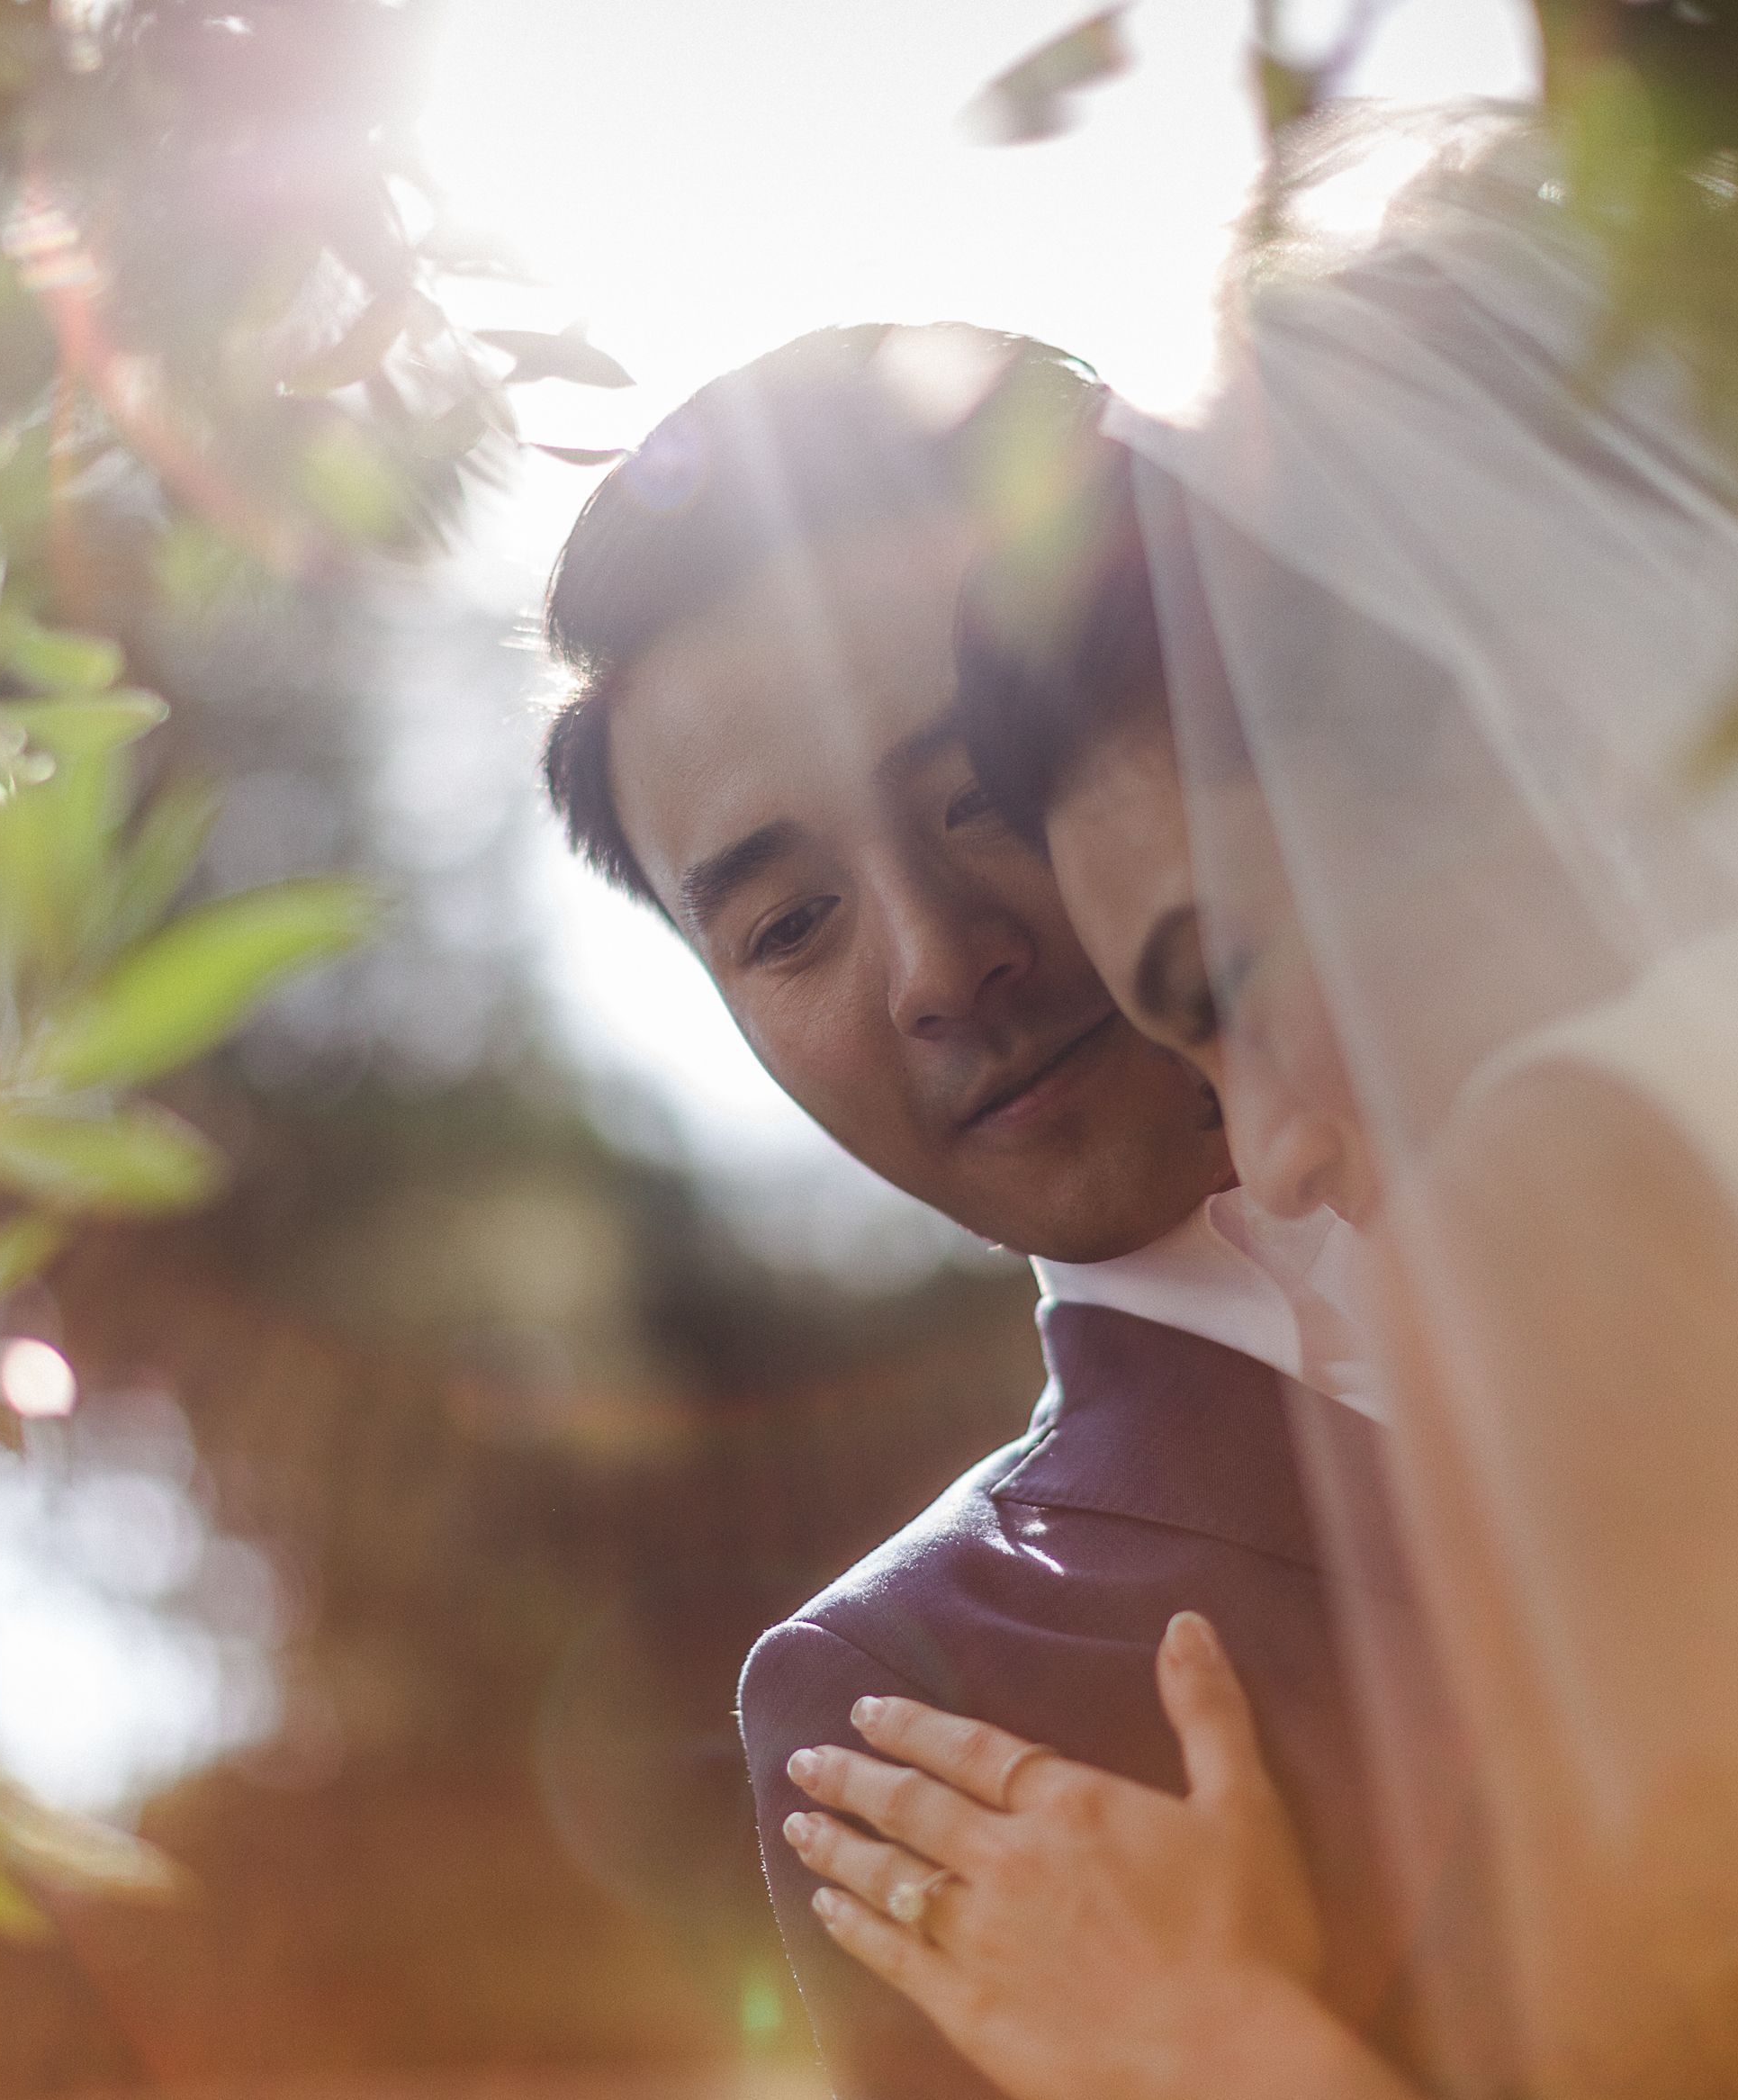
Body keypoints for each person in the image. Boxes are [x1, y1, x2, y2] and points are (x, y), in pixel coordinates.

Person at [775, 113, 1738, 2100]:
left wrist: (1208, 2047)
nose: (1272, 1145)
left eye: (1225, 985)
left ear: (1536, 714)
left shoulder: (1598, 1186)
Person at [537, 326, 1458, 2100]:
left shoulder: (1731, 1152)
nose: (942, 964)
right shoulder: (914, 1697)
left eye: (976, 793)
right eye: (789, 926)